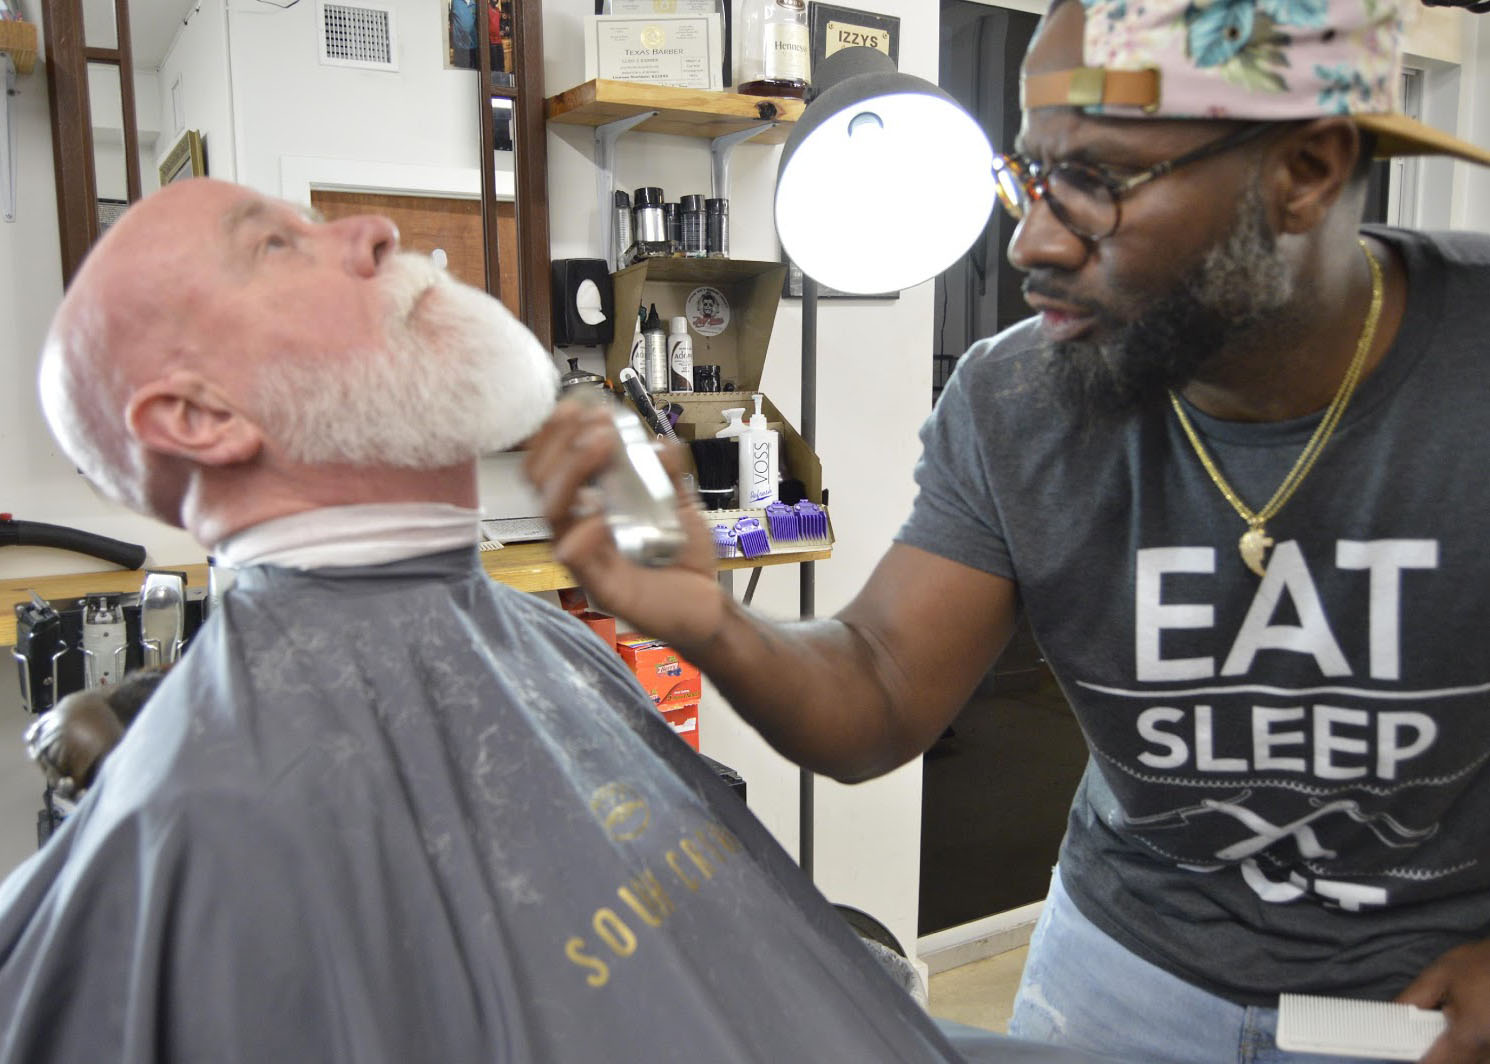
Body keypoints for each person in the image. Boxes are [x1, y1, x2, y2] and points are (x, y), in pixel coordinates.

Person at [523, 0, 1490, 1061]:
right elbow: (882, 684)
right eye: (1029, 176)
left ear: (1302, 170)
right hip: (1125, 967)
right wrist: (712, 621)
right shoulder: (1019, 397)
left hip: (1423, 994)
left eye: (1096, 182)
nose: (1030, 239)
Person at [0, 178, 1098, 1062]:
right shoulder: (205, 829)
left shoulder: (551, 636)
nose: (374, 230)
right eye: (278, 245)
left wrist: (711, 619)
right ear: (198, 415)